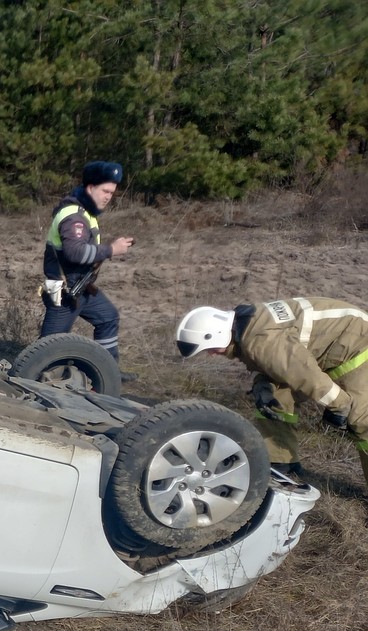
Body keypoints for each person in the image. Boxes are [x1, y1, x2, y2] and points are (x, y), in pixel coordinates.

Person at [176, 299, 368, 488]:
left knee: (361, 420)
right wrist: (263, 384)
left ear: (218, 334)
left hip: (358, 344)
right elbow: (277, 363)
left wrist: (339, 404)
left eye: (210, 348)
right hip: (333, 348)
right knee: (274, 399)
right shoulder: (247, 327)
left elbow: (303, 373)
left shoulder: (259, 339)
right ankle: (281, 463)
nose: (211, 354)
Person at [41, 161, 136, 374]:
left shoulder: (86, 213)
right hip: (64, 291)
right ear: (90, 188)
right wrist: (111, 250)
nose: (109, 197)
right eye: (105, 191)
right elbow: (75, 252)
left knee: (108, 317)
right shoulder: (74, 215)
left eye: (112, 192)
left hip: (81, 288)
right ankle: (31, 377)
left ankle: (105, 372)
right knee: (46, 348)